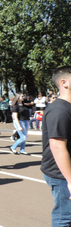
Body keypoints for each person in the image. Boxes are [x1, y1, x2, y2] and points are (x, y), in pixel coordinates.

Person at [41, 66, 71, 226]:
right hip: (61, 175)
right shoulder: (59, 110)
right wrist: (70, 180)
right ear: (64, 82)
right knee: (65, 217)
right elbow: (57, 146)